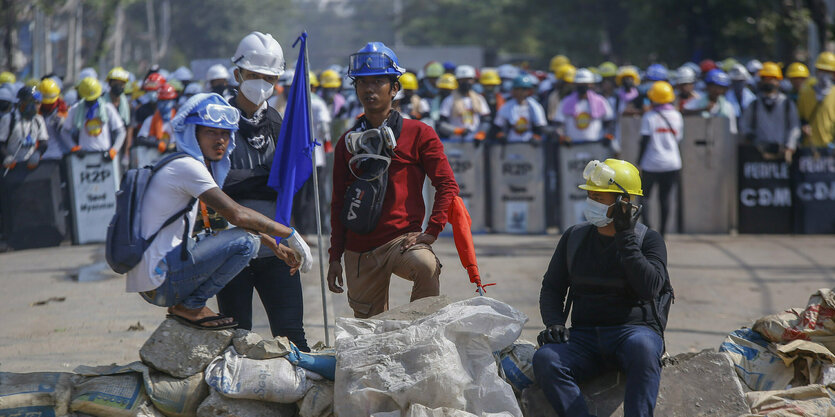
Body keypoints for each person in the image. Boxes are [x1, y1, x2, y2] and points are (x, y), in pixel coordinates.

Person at [127, 93, 312, 329]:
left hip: (156, 278)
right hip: (160, 280)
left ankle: (190, 304)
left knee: (241, 238)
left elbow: (222, 223)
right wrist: (289, 234)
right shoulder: (188, 167)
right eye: (211, 132)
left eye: (225, 133)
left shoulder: (189, 165)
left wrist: (274, 245)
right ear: (193, 133)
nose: (220, 140)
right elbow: (237, 214)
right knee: (246, 243)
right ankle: (192, 304)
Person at [327, 41, 459, 318]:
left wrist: (432, 231)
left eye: (378, 81)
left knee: (426, 266)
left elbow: (447, 184)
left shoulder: (420, 133)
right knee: (369, 335)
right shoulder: (346, 143)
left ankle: (418, 335)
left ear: (395, 88)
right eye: (362, 83)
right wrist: (334, 257)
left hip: (402, 242)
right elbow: (338, 201)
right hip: (359, 248)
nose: (369, 89)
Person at [533, 158, 672, 417]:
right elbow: (552, 288)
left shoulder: (648, 240)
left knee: (643, 349)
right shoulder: (574, 237)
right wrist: (554, 323)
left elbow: (650, 288)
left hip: (633, 333)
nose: (591, 202)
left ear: (624, 203)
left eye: (600, 197)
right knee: (546, 359)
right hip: (584, 337)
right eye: (590, 195)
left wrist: (626, 237)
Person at [213, 31, 311, 351]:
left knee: (292, 336)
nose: (260, 83)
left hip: (277, 251)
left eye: (268, 77)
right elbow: (218, 185)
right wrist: (264, 180)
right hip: (231, 251)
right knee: (236, 339)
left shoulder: (278, 121)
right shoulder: (219, 123)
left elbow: (287, 181)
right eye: (254, 75)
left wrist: (248, 181)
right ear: (237, 74)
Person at [639, 81, 684, 236]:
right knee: (665, 199)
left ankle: (648, 229)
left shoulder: (649, 116)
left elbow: (644, 141)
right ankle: (663, 233)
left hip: (651, 163)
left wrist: (639, 162)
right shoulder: (677, 116)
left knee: (644, 197)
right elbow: (678, 139)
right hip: (672, 163)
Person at [741, 62, 800, 162]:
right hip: (759, 154)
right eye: (765, 79)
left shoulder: (787, 104)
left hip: (782, 154)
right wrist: (750, 138)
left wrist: (790, 147)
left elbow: (794, 127)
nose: (768, 82)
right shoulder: (754, 104)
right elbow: (744, 125)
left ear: (778, 81)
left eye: (772, 79)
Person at [62, 77, 126, 159]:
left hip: (104, 155)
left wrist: (114, 150)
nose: (91, 101)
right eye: (89, 99)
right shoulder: (76, 109)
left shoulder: (107, 108)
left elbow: (121, 131)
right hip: (84, 156)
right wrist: (74, 147)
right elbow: (64, 131)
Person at [554, 68, 614, 144]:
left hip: (596, 144)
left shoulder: (600, 101)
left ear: (591, 84)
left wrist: (608, 136)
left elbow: (609, 121)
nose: (583, 86)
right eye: (580, 84)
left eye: (585, 83)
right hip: (572, 146)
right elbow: (559, 123)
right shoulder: (566, 101)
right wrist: (562, 137)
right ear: (575, 84)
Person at [0, 86, 49, 171]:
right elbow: (1, 143)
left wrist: (38, 153)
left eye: (38, 103)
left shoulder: (38, 119)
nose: (37, 106)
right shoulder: (9, 119)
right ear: (22, 102)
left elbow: (44, 142)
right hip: (10, 167)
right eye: (33, 102)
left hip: (29, 167)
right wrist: (6, 157)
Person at [438, 65, 490, 142]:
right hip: (455, 141)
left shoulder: (479, 99)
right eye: (463, 80)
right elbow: (441, 123)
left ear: (473, 81)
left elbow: (486, 120)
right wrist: (457, 131)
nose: (466, 83)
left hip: (475, 141)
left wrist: (481, 133)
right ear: (457, 81)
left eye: (468, 80)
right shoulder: (449, 100)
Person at [491, 73, 547, 143]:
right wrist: (500, 135)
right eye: (519, 89)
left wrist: (536, 136)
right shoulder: (507, 106)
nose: (521, 92)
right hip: (511, 142)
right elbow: (497, 125)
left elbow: (540, 126)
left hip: (529, 144)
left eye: (525, 89)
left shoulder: (534, 106)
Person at [682, 69, 737, 134]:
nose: (717, 91)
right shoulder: (697, 101)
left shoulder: (728, 107)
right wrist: (703, 109)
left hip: (720, 140)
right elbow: (684, 112)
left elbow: (732, 130)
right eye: (714, 87)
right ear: (708, 86)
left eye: (721, 88)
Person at [799, 52, 835, 146]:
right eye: (822, 70)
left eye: (828, 71)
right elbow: (799, 117)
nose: (824, 74)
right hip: (808, 148)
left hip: (830, 149)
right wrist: (802, 126)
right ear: (816, 71)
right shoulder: (805, 93)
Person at [135, 83, 179, 158]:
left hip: (173, 157)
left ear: (173, 101)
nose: (164, 104)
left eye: (167, 100)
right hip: (154, 157)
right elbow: (140, 139)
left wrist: (174, 145)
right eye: (161, 100)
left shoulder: (179, 120)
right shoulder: (150, 119)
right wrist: (157, 144)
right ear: (157, 101)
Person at [37, 78, 71, 162]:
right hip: (42, 157)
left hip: (62, 156)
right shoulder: (35, 113)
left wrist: (64, 125)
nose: (48, 105)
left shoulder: (65, 110)